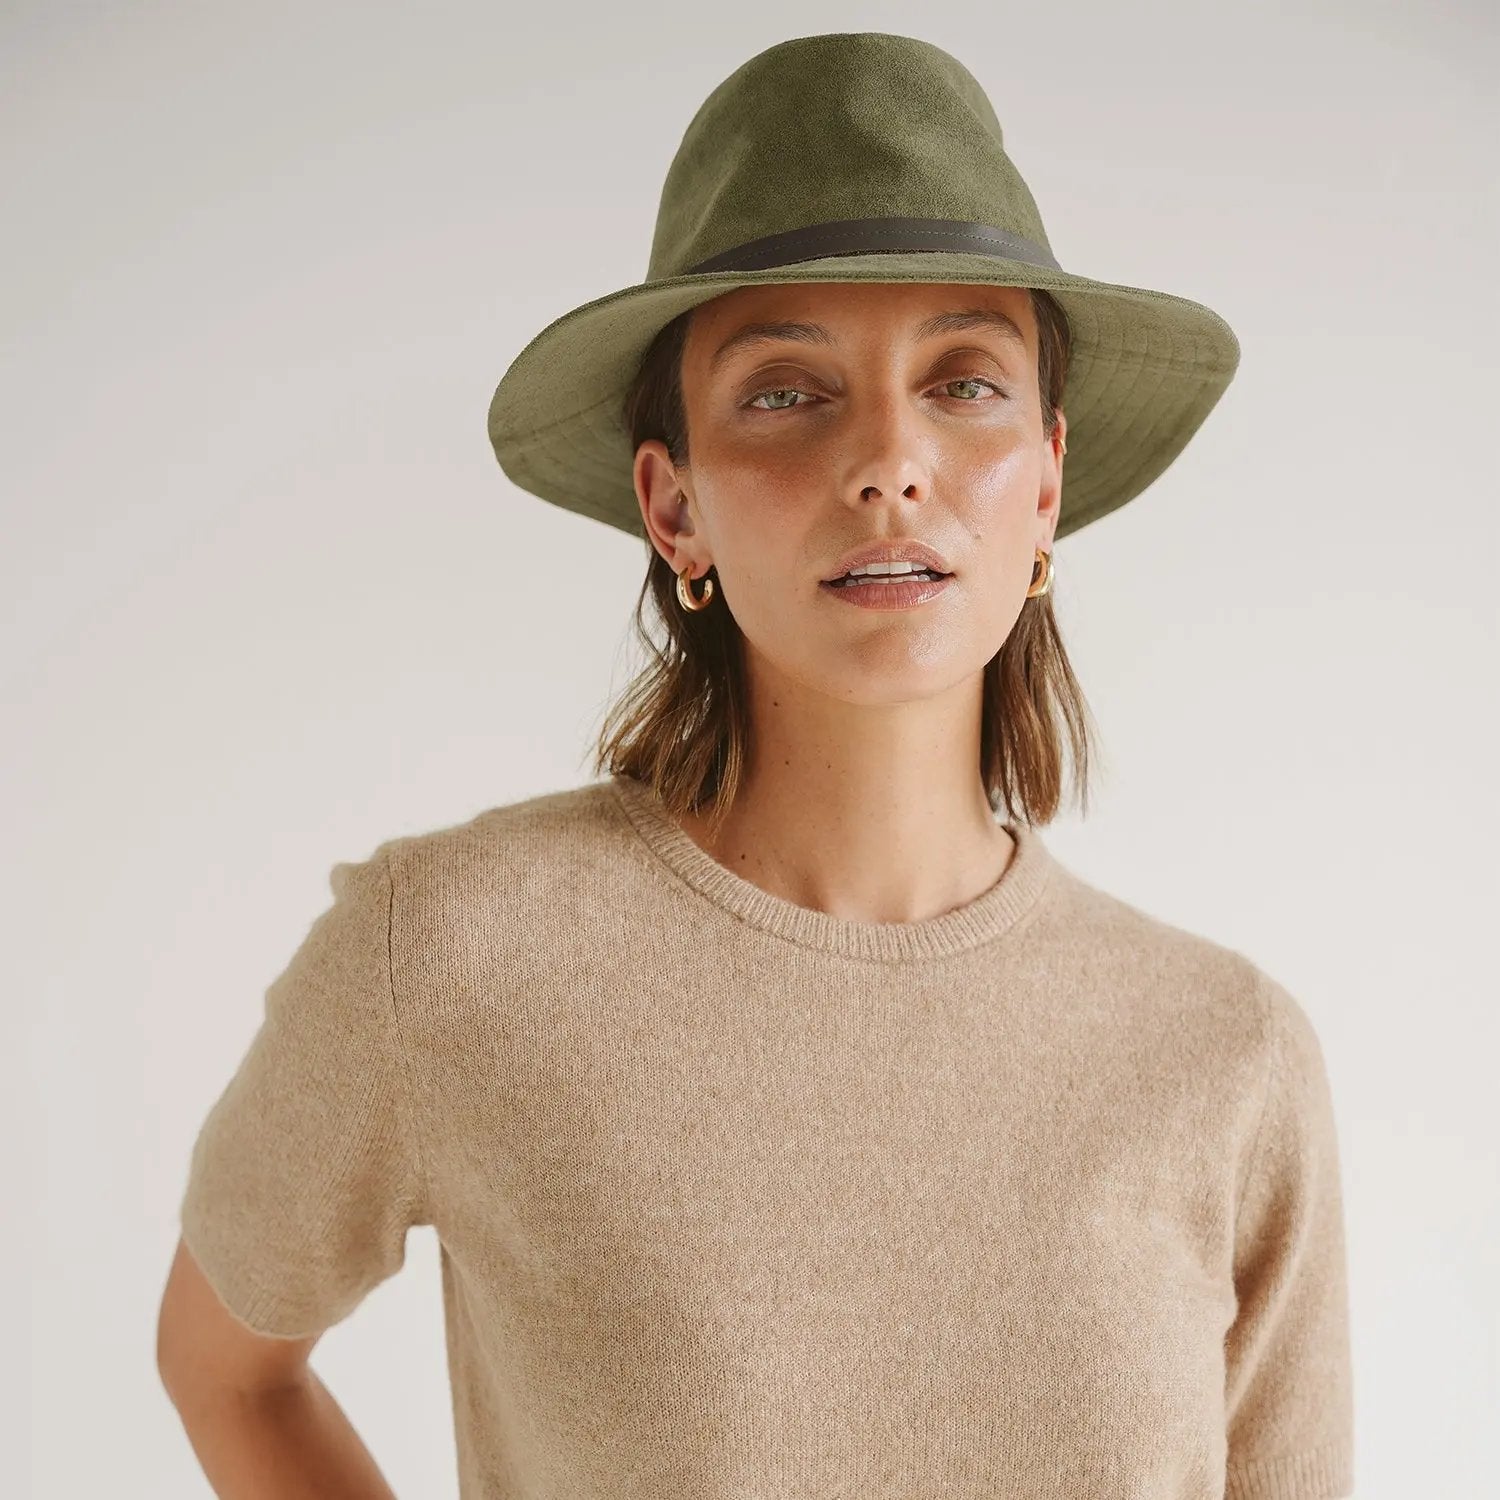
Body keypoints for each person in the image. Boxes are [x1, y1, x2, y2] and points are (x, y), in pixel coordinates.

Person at [156, 31, 1354, 1500]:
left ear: (1048, 479)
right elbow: (227, 1366)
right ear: (674, 507)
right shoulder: (450, 957)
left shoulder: (1228, 1057)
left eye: (963, 381)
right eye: (787, 390)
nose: (889, 461)